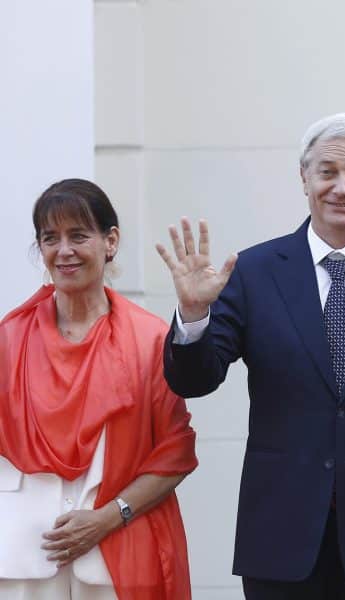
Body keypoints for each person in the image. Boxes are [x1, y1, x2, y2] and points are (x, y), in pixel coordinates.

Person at [156, 113, 345, 599]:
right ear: (304, 177)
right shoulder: (255, 271)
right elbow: (195, 380)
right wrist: (194, 312)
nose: (341, 188)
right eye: (327, 172)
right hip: (280, 537)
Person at [0, 179, 198, 599]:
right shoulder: (8, 340)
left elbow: (174, 453)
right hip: (22, 564)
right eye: (50, 238)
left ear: (110, 242)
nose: (64, 250)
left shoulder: (150, 341)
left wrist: (109, 516)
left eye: (78, 235)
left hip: (116, 560)